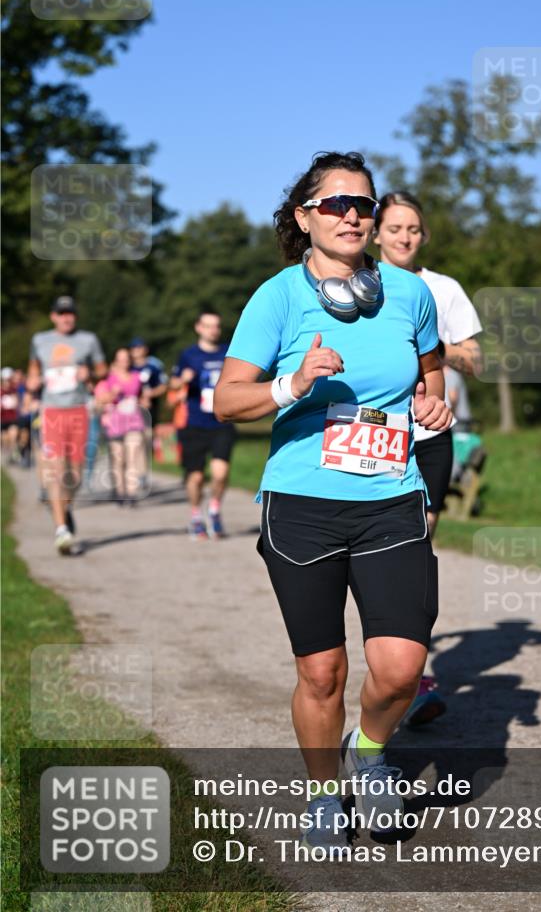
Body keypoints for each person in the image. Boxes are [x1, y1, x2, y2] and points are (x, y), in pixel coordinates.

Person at [215, 151, 452, 850]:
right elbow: (227, 400)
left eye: (363, 204)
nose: (352, 215)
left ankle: (370, 752)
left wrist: (432, 409)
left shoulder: (409, 295)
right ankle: (324, 793)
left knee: (401, 666)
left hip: (391, 498)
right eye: (334, 204)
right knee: (322, 672)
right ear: (303, 217)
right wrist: (293, 384)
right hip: (302, 504)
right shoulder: (278, 297)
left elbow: (432, 373)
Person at [373, 191, 482, 537]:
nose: (405, 238)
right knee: (375, 532)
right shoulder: (357, 284)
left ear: (423, 235)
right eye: (394, 229)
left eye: (413, 229)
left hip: (431, 427)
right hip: (374, 427)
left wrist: (431, 347)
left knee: (423, 530)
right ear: (375, 234)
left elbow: (474, 362)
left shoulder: (444, 289)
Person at [28, 297, 107, 553]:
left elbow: (102, 369)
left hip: (79, 410)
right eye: (61, 313)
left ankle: (66, 506)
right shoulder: (40, 340)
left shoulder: (88, 340)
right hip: (51, 411)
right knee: (57, 467)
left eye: (70, 313)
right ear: (53, 316)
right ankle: (61, 529)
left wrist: (91, 375)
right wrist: (32, 383)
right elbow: (33, 369)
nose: (66, 318)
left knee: (74, 472)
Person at [170, 312, 236, 539]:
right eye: (208, 326)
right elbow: (173, 383)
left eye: (216, 326)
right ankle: (196, 515)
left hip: (221, 420)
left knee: (220, 472)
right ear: (198, 328)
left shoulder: (228, 352)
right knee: (196, 477)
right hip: (195, 422)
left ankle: (215, 509)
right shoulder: (188, 355)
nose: (213, 330)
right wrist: (183, 380)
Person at [95, 348, 147, 506]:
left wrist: (144, 401)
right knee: (119, 459)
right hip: (115, 422)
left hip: (134, 420)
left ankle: (131, 494)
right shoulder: (108, 379)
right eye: (121, 358)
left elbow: (142, 396)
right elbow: (100, 400)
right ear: (115, 361)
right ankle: (120, 492)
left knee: (132, 457)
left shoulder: (137, 377)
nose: (124, 361)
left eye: (127, 358)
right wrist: (112, 394)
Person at [130, 337, 168, 481]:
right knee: (132, 442)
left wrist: (151, 394)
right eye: (134, 348)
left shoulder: (154, 365)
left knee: (145, 441)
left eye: (139, 348)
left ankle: (142, 473)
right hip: (129, 411)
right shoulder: (127, 366)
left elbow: (163, 385)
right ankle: (133, 472)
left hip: (148, 411)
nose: (137, 351)